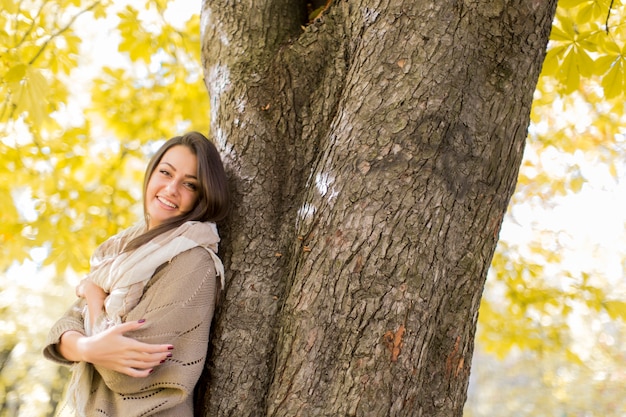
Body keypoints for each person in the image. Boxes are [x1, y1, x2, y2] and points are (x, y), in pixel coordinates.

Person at [43, 131, 229, 416]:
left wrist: (93, 297)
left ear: (202, 198)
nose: (171, 189)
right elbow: (59, 333)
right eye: (165, 173)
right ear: (151, 173)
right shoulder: (120, 252)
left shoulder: (194, 262)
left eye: (189, 184)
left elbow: (126, 374)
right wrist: (88, 347)